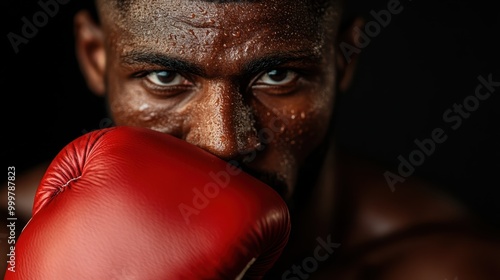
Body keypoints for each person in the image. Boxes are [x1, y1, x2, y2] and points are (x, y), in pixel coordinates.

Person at [2, 0, 500, 279]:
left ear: (342, 59)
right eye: (163, 79)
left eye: (279, 75)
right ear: (95, 57)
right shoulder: (9, 229)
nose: (222, 143)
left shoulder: (445, 268)